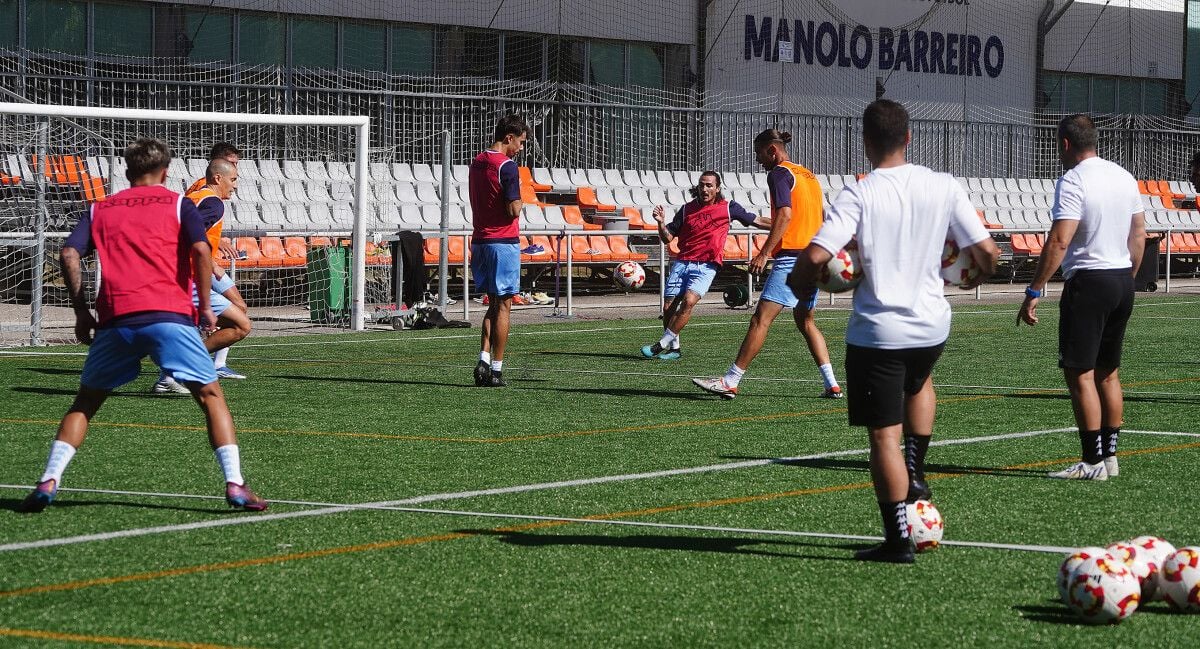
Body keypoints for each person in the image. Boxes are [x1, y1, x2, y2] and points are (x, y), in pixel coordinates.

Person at [786, 100, 999, 563]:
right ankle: (917, 474)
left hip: (879, 331)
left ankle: (897, 540)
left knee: (884, 438)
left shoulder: (859, 192)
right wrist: (971, 276)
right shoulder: (944, 185)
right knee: (919, 381)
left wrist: (797, 281)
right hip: (931, 325)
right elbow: (988, 252)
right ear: (908, 137)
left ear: (865, 142)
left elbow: (819, 255)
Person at [18, 138, 268, 513]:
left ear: (127, 170)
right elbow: (201, 251)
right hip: (169, 315)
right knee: (211, 398)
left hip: (117, 318)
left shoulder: (100, 207)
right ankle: (234, 485)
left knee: (85, 402)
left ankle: (48, 480)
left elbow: (69, 252)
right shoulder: (178, 204)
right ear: (165, 172)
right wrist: (203, 308)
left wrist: (81, 311)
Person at [1018, 114, 1147, 481]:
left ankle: (1091, 463)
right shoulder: (1123, 175)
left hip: (1089, 282)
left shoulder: (1073, 180)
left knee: (1081, 375)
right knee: (1109, 374)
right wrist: (1127, 278)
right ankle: (1110, 457)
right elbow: (1139, 234)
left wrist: (1034, 289)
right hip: (1122, 279)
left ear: (1064, 144)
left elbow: (1060, 240)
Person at [692, 129, 843, 399]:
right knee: (806, 320)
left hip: (794, 258)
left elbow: (785, 215)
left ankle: (730, 380)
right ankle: (831, 383)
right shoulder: (807, 175)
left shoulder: (779, 174)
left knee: (760, 320)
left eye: (759, 154)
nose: (758, 161)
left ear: (772, 150)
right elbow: (818, 217)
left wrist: (764, 253)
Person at [640, 171, 771, 360]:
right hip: (682, 261)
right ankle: (674, 349)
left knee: (689, 301)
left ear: (717, 188)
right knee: (669, 307)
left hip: (707, 266)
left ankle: (660, 345)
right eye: (702, 185)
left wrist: (784, 224)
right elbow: (667, 237)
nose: (704, 189)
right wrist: (660, 223)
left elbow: (756, 220)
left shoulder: (729, 208)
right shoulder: (686, 210)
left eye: (709, 185)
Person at [153, 159, 251, 392]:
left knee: (226, 320)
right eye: (233, 180)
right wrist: (210, 262)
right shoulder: (214, 203)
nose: (235, 186)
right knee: (241, 326)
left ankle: (172, 372)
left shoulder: (192, 198)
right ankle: (178, 369)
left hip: (172, 274)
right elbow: (189, 236)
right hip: (186, 279)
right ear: (218, 178)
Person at [470, 115, 528, 387]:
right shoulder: (507, 166)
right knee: (504, 305)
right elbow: (513, 209)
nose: (521, 148)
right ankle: (496, 369)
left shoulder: (477, 161)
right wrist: (520, 201)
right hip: (502, 243)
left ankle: (483, 359)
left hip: (480, 240)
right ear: (509, 138)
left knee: (493, 303)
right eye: (520, 142)